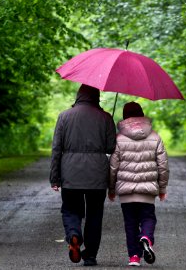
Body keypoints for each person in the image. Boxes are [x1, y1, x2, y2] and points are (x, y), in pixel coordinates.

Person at [50, 84, 116, 267]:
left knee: (71, 209)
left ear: (79, 96)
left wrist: (54, 178)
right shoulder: (105, 117)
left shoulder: (64, 116)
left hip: (71, 174)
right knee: (95, 215)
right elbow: (111, 147)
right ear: (97, 96)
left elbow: (56, 149)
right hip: (97, 176)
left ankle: (73, 235)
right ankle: (90, 256)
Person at [108, 102, 169, 267]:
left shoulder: (119, 139)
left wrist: (111, 189)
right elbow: (163, 165)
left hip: (126, 192)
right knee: (148, 218)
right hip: (147, 190)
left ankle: (134, 256)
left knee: (130, 223)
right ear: (142, 115)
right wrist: (162, 188)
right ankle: (147, 237)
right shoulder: (155, 137)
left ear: (125, 117)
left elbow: (113, 166)